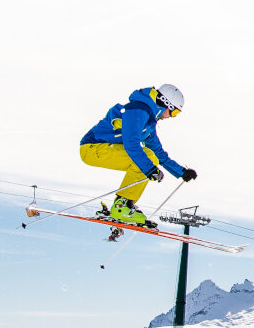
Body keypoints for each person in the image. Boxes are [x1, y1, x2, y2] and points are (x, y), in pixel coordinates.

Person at [80, 84, 196, 227]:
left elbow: (158, 153)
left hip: (101, 149)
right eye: (175, 112)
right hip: (92, 148)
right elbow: (131, 144)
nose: (171, 117)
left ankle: (125, 204)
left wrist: (182, 172)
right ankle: (122, 206)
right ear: (166, 104)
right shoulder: (138, 109)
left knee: (151, 156)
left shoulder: (149, 121)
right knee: (147, 158)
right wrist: (149, 169)